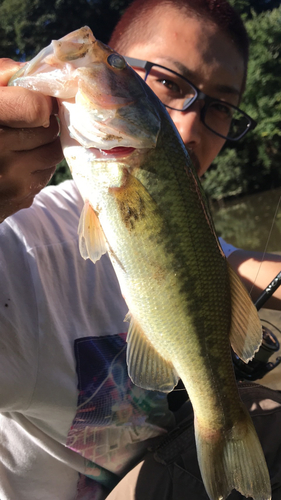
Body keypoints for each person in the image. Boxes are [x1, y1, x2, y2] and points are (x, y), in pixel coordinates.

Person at [0, 0, 280, 499]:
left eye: (220, 106)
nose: (189, 127)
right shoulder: (19, 249)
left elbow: (233, 263)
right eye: (169, 83)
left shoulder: (200, 240)